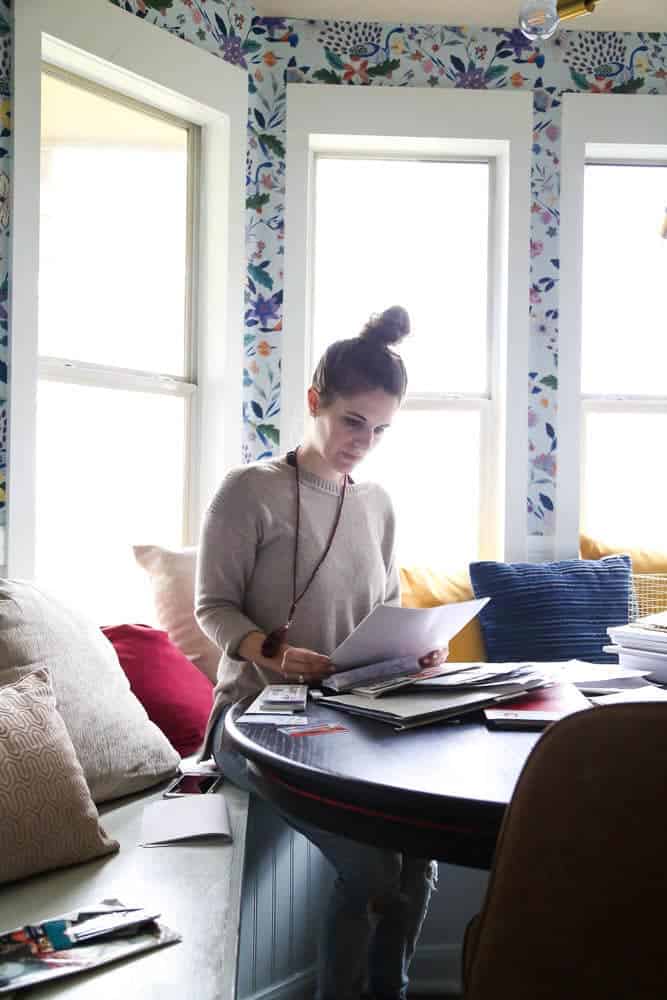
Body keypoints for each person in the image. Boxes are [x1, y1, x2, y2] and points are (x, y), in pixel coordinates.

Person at [195, 305, 437, 1000]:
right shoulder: (250, 492)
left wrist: (416, 649)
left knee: (421, 856)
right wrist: (265, 649)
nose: (363, 443)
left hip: (350, 719)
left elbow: (382, 607)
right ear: (313, 403)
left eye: (380, 429)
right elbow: (211, 607)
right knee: (368, 870)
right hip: (254, 723)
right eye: (351, 422)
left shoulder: (379, 503)